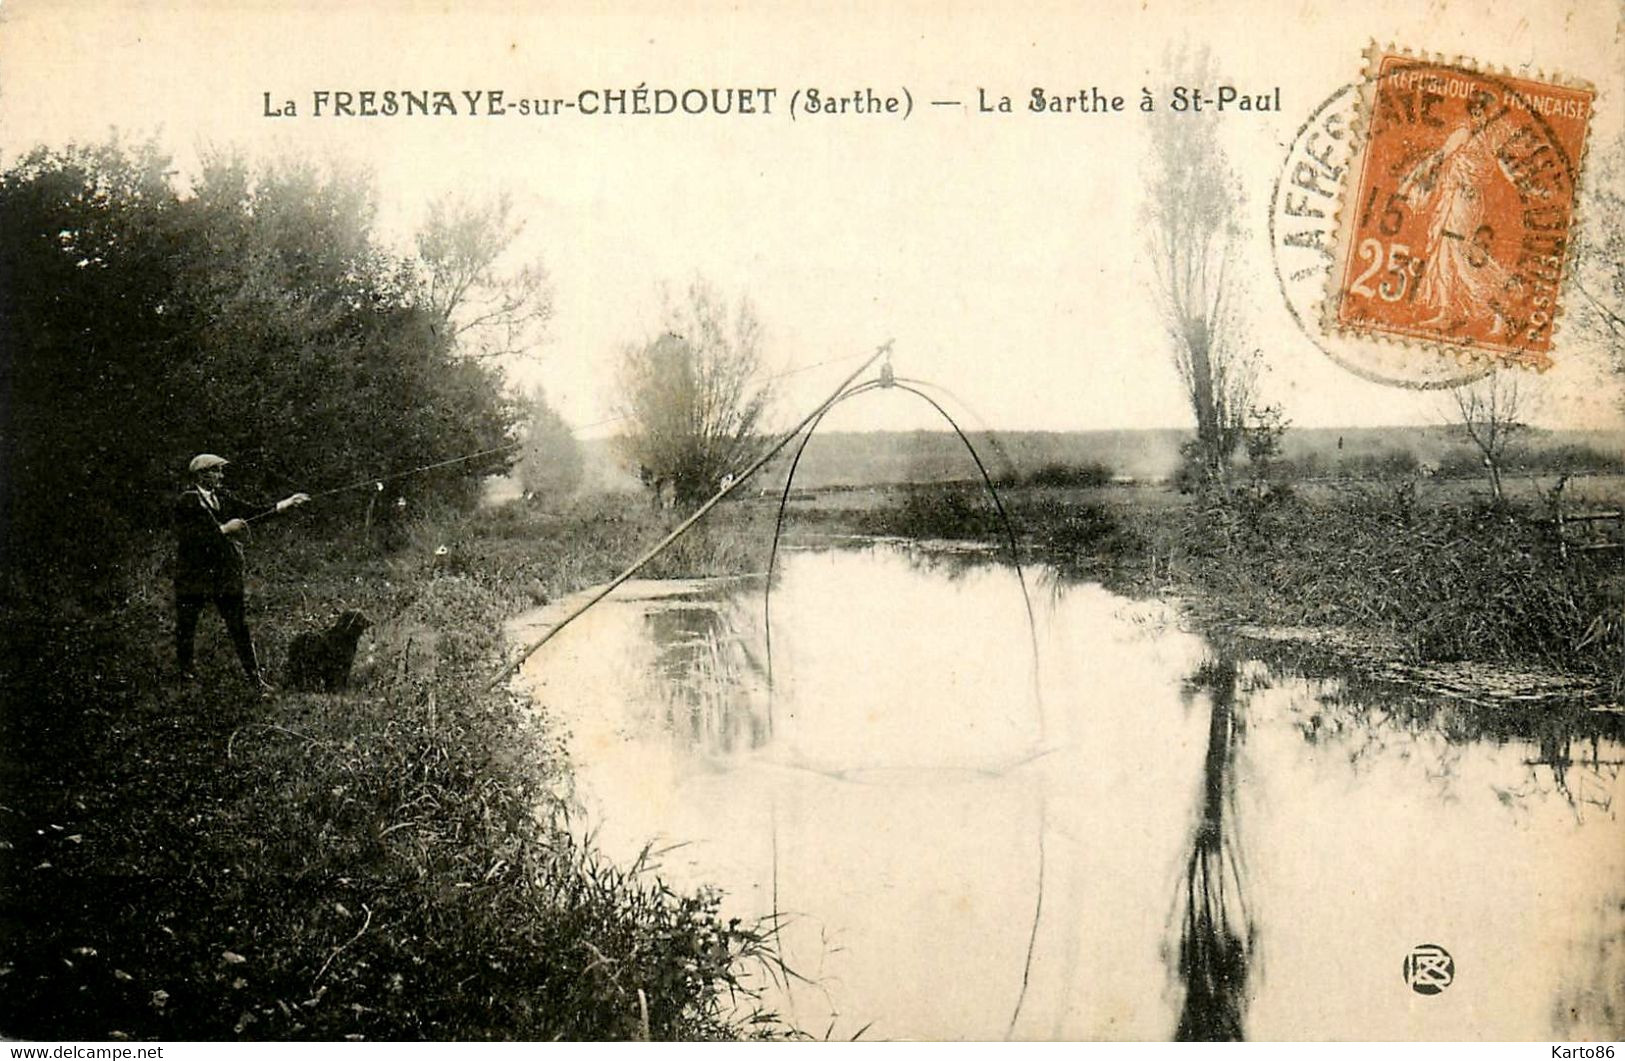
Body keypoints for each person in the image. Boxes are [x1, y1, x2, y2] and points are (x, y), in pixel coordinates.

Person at [174, 453, 309, 692]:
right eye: (216, 471)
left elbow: (253, 512)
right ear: (202, 475)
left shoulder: (221, 497)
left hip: (224, 574)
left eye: (220, 471)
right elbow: (190, 539)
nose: (221, 476)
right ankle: (185, 678)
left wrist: (287, 503)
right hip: (194, 575)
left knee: (238, 626)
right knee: (187, 625)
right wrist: (226, 529)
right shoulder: (187, 501)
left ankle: (255, 680)